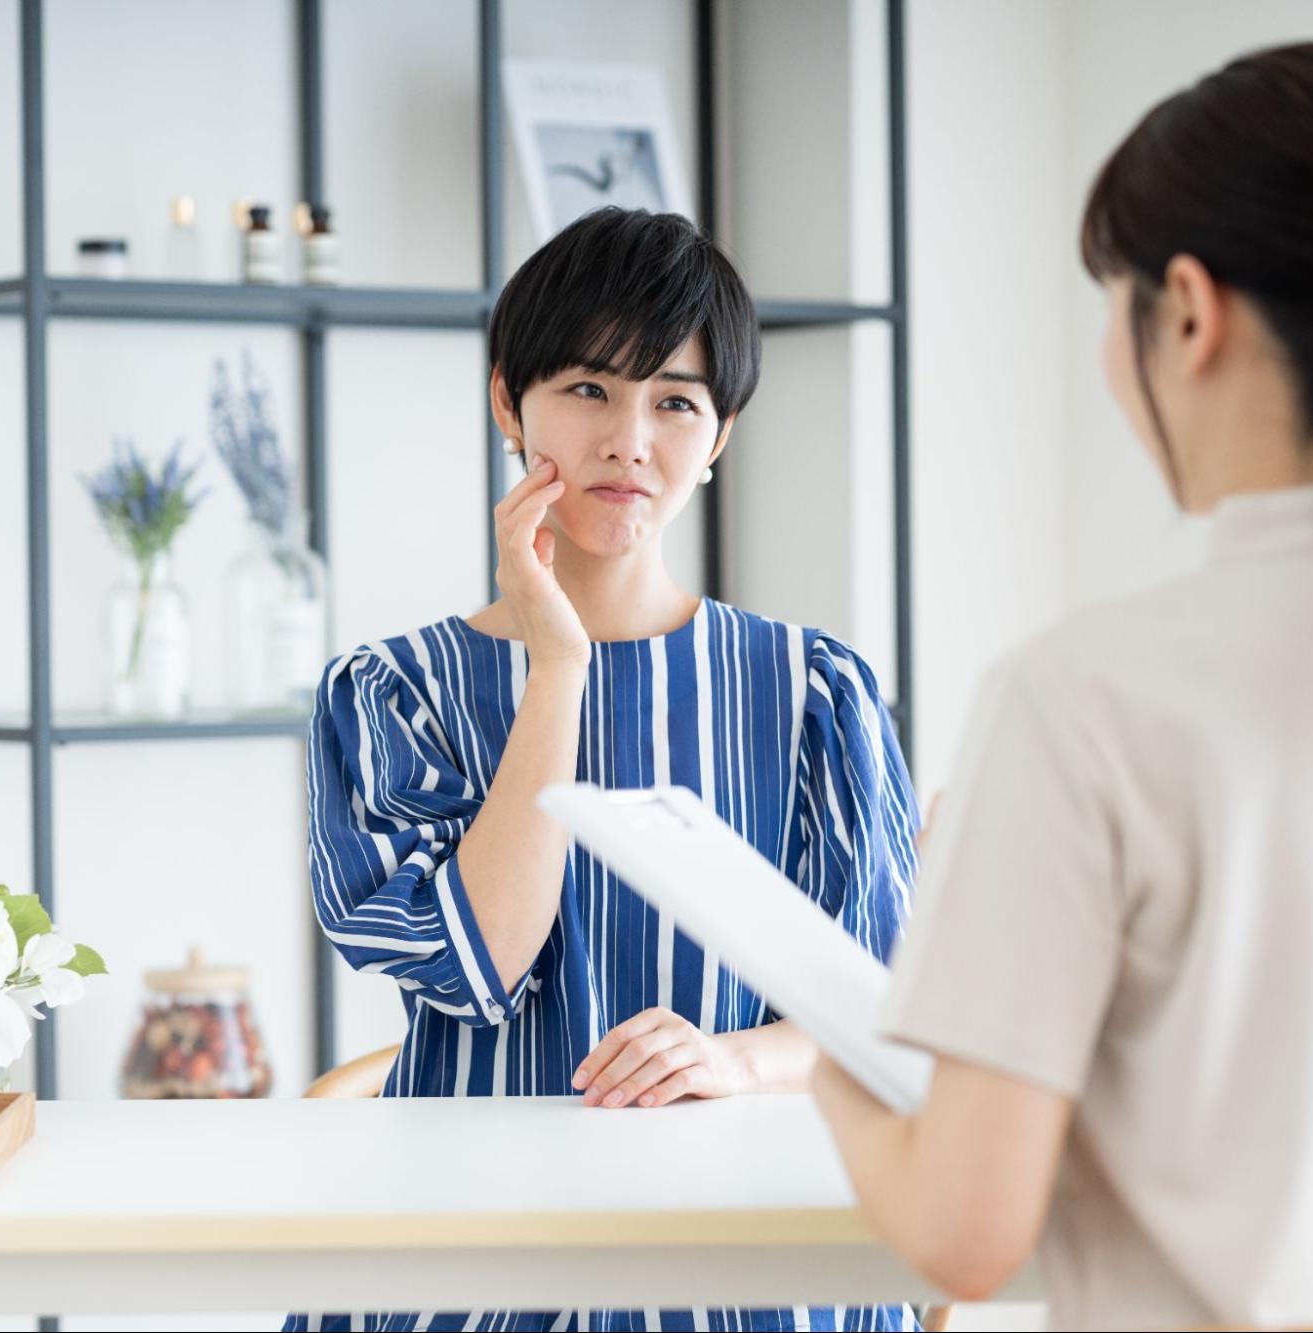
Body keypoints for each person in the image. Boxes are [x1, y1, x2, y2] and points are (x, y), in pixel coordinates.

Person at [813, 42, 1313, 1331]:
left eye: (1111, 304)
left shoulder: (1077, 701)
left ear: (1186, 310)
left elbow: (965, 1233)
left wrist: (835, 1072)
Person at [289, 207, 921, 1333]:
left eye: (674, 401)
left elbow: (886, 1011)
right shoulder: (388, 692)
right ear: (506, 401)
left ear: (718, 435)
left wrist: (731, 1059)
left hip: (744, 1278)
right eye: (588, 390)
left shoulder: (815, 690)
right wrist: (559, 669)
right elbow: (473, 967)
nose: (629, 439)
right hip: (466, 1277)